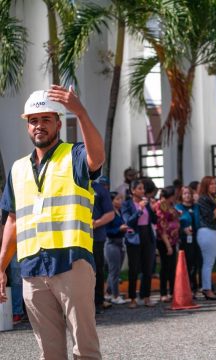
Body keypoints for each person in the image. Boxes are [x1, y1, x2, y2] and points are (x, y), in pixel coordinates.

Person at [0, 86, 104, 359]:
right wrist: (0, 267)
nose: (39, 126)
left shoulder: (75, 155)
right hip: (33, 269)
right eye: (33, 121)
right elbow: (12, 219)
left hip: (72, 263)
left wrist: (80, 112)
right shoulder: (18, 169)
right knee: (49, 352)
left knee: (85, 348)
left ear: (59, 123)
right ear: (27, 126)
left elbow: (98, 157)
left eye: (46, 119)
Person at [121, 179, 157, 308]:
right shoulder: (127, 204)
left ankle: (146, 296)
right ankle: (132, 298)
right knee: (134, 269)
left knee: (147, 269)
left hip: (147, 235)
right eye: (140, 188)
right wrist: (140, 209)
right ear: (133, 190)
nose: (143, 191)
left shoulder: (146, 203)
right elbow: (128, 221)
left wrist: (152, 209)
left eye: (143, 189)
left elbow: (154, 220)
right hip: (134, 237)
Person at [92, 178, 115, 314]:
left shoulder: (100, 189)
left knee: (97, 270)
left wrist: (96, 223)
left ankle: (98, 302)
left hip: (96, 237)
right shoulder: (72, 184)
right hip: (75, 239)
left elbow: (110, 214)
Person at [155, 186, 180, 302]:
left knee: (172, 267)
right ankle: (163, 292)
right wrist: (168, 246)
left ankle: (172, 291)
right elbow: (161, 227)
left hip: (173, 239)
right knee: (165, 267)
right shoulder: (160, 206)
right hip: (164, 241)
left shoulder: (171, 206)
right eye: (173, 196)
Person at [175, 186, 201, 296]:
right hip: (184, 239)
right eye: (185, 193)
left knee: (197, 262)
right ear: (181, 195)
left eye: (189, 193)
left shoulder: (196, 207)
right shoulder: (178, 207)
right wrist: (183, 229)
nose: (187, 195)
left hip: (197, 237)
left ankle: (196, 287)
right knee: (188, 263)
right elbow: (175, 223)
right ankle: (189, 287)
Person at [104, 192, 127, 304]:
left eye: (121, 199)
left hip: (120, 243)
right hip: (111, 243)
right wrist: (119, 229)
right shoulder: (109, 214)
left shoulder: (120, 212)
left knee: (115, 270)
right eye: (117, 199)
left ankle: (108, 293)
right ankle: (115, 295)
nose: (120, 201)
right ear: (111, 201)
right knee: (114, 271)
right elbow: (106, 231)